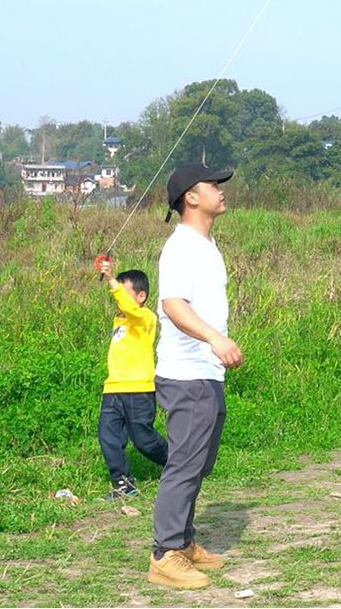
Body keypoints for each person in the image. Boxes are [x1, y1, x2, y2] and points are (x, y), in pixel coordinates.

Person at [148, 162, 240, 591]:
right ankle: (165, 554)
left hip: (205, 373)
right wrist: (216, 339)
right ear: (191, 197)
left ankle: (183, 542)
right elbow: (173, 305)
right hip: (186, 375)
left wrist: (215, 350)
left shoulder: (206, 243)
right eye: (213, 184)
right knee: (185, 464)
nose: (221, 190)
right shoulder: (181, 246)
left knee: (199, 462)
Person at [96, 259, 169, 500]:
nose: (117, 296)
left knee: (143, 440)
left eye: (123, 291)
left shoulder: (145, 318)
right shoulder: (119, 319)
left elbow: (129, 307)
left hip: (139, 389)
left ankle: (179, 465)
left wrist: (110, 279)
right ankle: (123, 483)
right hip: (113, 388)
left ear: (140, 296)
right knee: (108, 437)